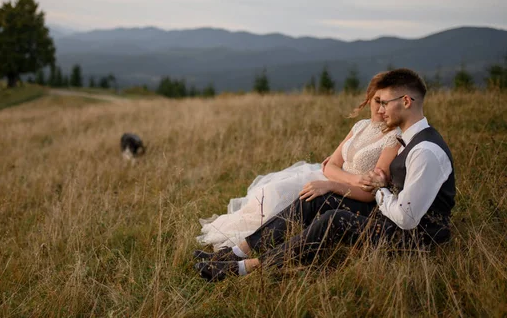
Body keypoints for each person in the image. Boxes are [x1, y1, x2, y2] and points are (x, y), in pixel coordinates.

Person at [194, 68, 455, 281]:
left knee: (334, 218)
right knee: (318, 199)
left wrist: (378, 190)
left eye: (385, 103)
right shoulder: (409, 139)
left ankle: (244, 268)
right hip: (391, 216)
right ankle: (237, 252)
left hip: (416, 237)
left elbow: (407, 219)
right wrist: (373, 189)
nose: (380, 110)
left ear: (406, 101)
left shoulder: (425, 151)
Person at [195, 72, 401, 252]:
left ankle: (248, 248)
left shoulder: (393, 137)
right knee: (270, 193)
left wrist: (335, 181)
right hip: (328, 178)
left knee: (297, 199)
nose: (381, 109)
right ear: (368, 99)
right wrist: (351, 178)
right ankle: (245, 244)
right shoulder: (360, 125)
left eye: (386, 103)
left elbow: (371, 191)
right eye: (377, 101)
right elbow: (329, 165)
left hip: (344, 192)